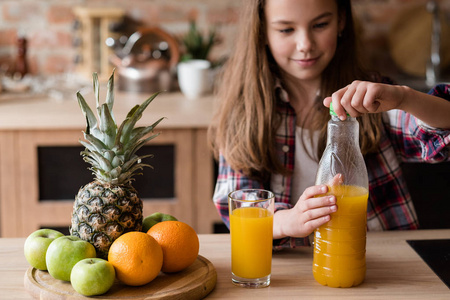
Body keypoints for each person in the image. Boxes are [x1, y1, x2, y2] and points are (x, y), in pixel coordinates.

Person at [208, 0, 450, 249]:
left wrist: (404, 97)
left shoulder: (373, 99)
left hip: (378, 261)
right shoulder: (245, 109)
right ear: (262, 31)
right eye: (286, 30)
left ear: (341, 21)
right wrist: (285, 221)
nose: (305, 45)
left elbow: (441, 133)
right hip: (292, 271)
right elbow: (237, 205)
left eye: (320, 25)